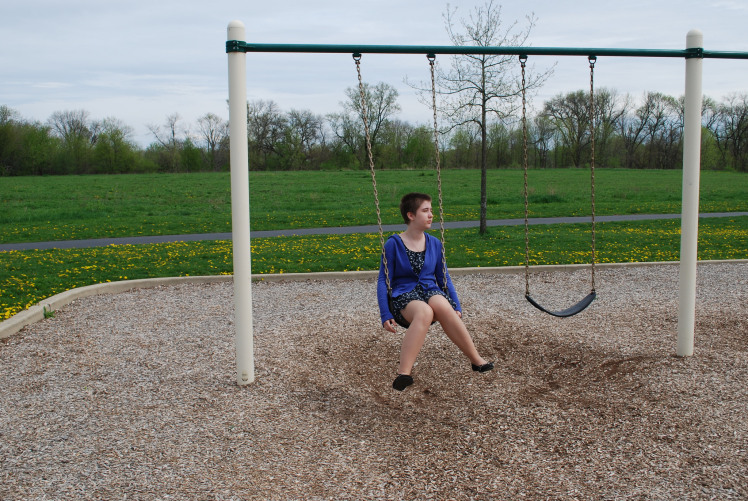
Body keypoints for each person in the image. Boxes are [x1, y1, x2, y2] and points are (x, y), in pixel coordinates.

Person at [377, 192, 493, 391]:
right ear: (411, 215)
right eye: (425, 210)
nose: (431, 215)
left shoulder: (435, 244)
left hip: (430, 290)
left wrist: (456, 304)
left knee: (442, 305)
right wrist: (385, 313)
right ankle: (404, 373)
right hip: (405, 295)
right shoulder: (393, 244)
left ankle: (476, 360)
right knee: (425, 312)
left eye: (431, 210)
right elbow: (382, 280)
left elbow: (444, 278)